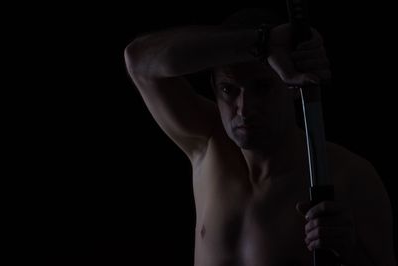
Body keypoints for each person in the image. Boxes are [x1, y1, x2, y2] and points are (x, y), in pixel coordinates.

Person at [124, 8, 396, 266]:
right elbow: (138, 60)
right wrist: (263, 43)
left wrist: (350, 252)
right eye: (229, 90)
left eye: (262, 87)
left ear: (291, 86)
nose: (245, 108)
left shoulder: (347, 177)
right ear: (214, 88)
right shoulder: (206, 143)